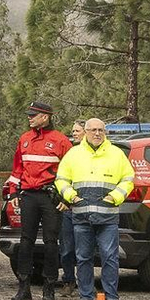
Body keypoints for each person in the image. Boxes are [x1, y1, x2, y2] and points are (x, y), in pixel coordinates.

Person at [54, 116, 136, 300]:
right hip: (81, 216)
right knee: (82, 258)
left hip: (107, 217)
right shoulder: (74, 154)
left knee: (110, 258)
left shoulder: (116, 154)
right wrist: (71, 196)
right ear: (86, 132)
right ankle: (86, 299)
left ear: (105, 132)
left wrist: (115, 197)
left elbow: (128, 179)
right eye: (93, 130)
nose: (97, 133)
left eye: (101, 130)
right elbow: (61, 179)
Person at [7, 101, 71, 300]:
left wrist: (65, 197)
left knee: (51, 242)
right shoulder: (24, 138)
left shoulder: (61, 141)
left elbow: (70, 171)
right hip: (28, 195)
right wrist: (13, 193)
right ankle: (23, 287)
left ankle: (49, 287)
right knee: (26, 241)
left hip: (50, 197)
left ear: (45, 117)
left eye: (33, 115)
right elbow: (18, 168)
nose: (29, 118)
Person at [56, 122, 85, 288]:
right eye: (73, 130)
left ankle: (85, 282)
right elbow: (62, 178)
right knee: (66, 247)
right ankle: (68, 280)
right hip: (68, 207)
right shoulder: (70, 153)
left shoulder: (92, 155)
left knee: (84, 249)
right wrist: (65, 199)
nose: (74, 133)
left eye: (77, 131)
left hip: (85, 207)